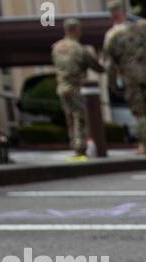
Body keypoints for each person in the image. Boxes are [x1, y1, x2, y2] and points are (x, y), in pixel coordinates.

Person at [102, 0, 146, 155]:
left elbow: (109, 65)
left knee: (140, 112)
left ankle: (144, 145)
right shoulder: (141, 27)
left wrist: (112, 85)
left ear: (112, 15)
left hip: (130, 76)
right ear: (124, 12)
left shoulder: (111, 35)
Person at [51, 17, 104, 159]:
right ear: (75, 30)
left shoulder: (56, 47)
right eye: (79, 29)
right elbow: (97, 67)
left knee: (69, 117)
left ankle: (74, 144)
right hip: (76, 87)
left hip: (62, 87)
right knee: (79, 117)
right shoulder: (79, 49)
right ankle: (80, 147)